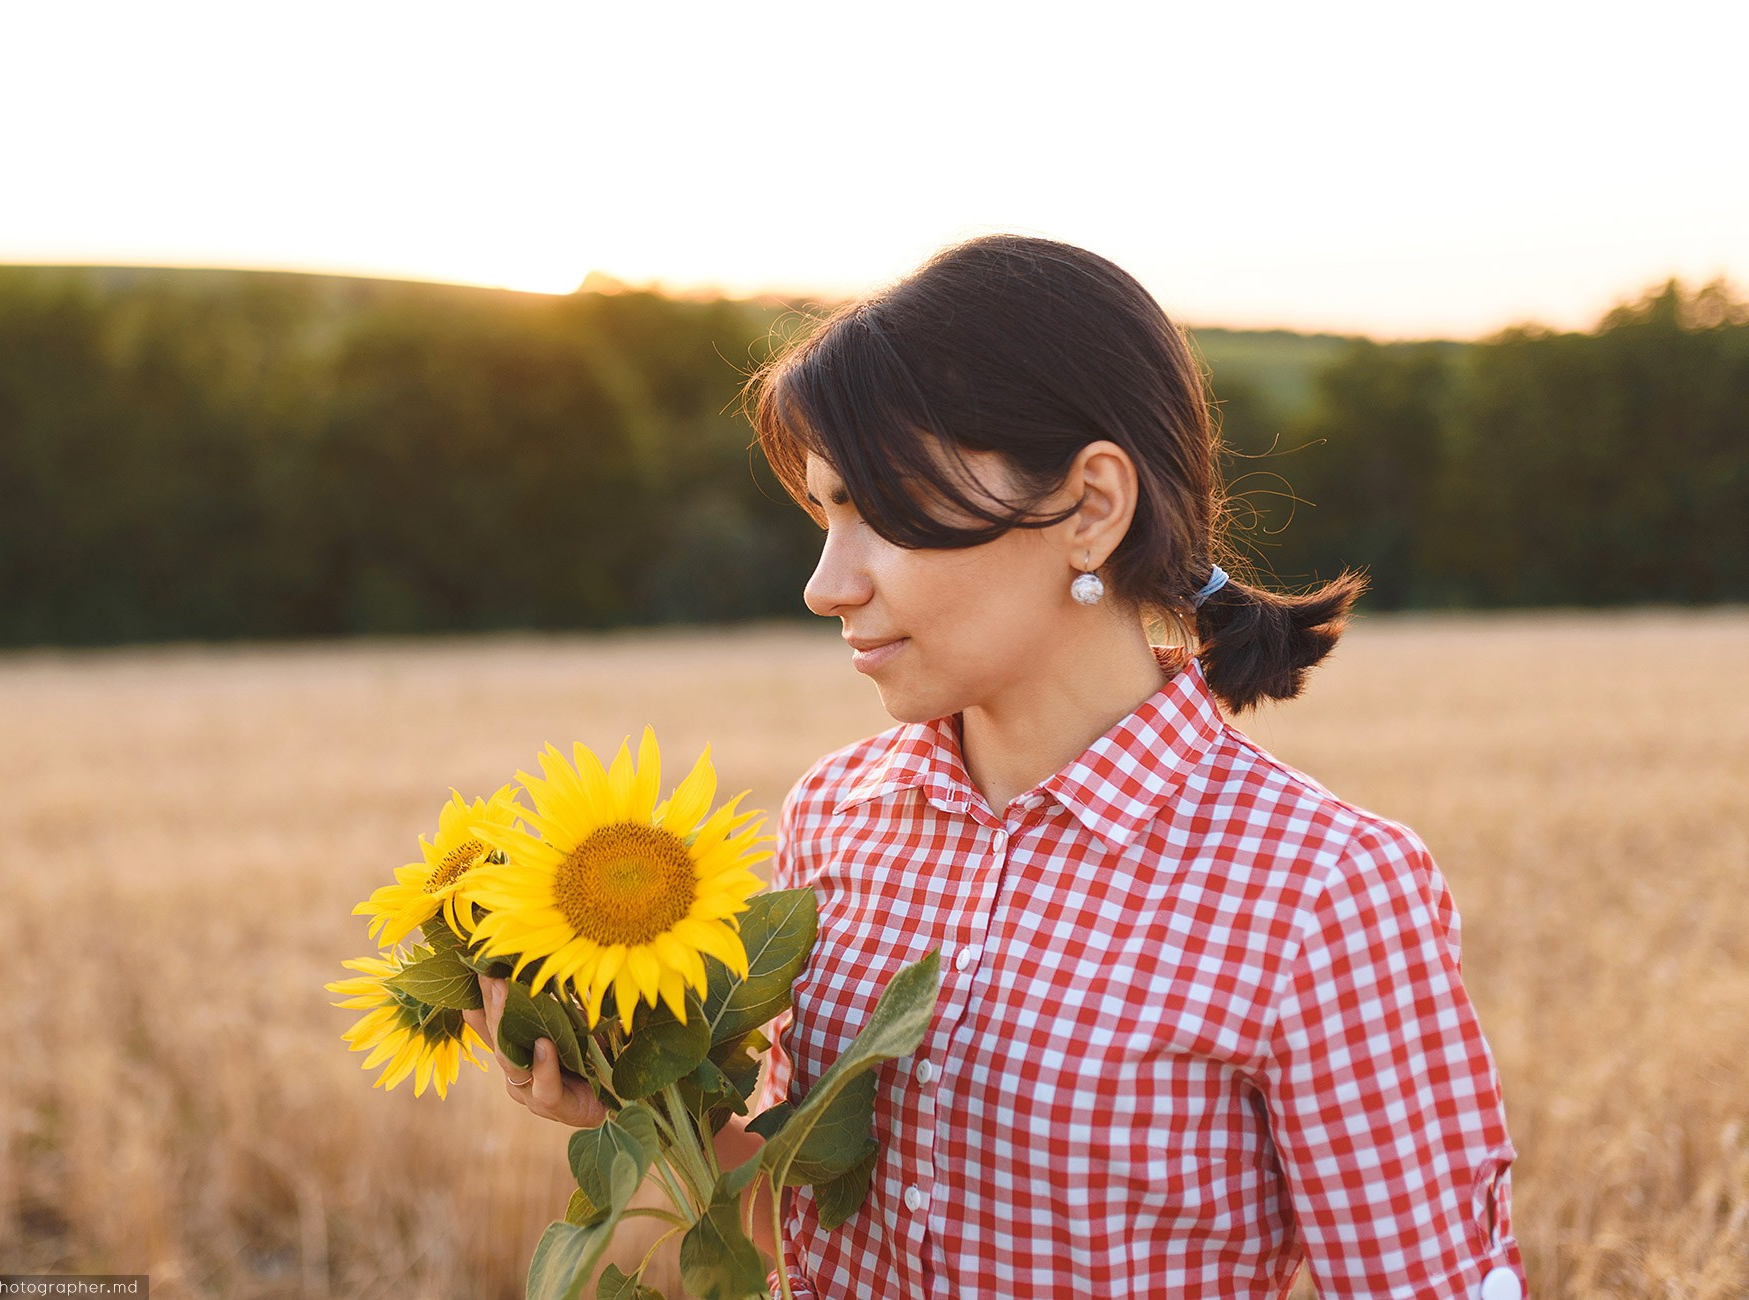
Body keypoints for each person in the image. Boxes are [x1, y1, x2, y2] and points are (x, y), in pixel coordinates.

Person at [470, 234, 1525, 1299]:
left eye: (877, 510)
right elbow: (812, 1217)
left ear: (1088, 508)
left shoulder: (1322, 891)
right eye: (824, 510)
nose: (825, 583)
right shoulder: (836, 817)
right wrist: (643, 1109)